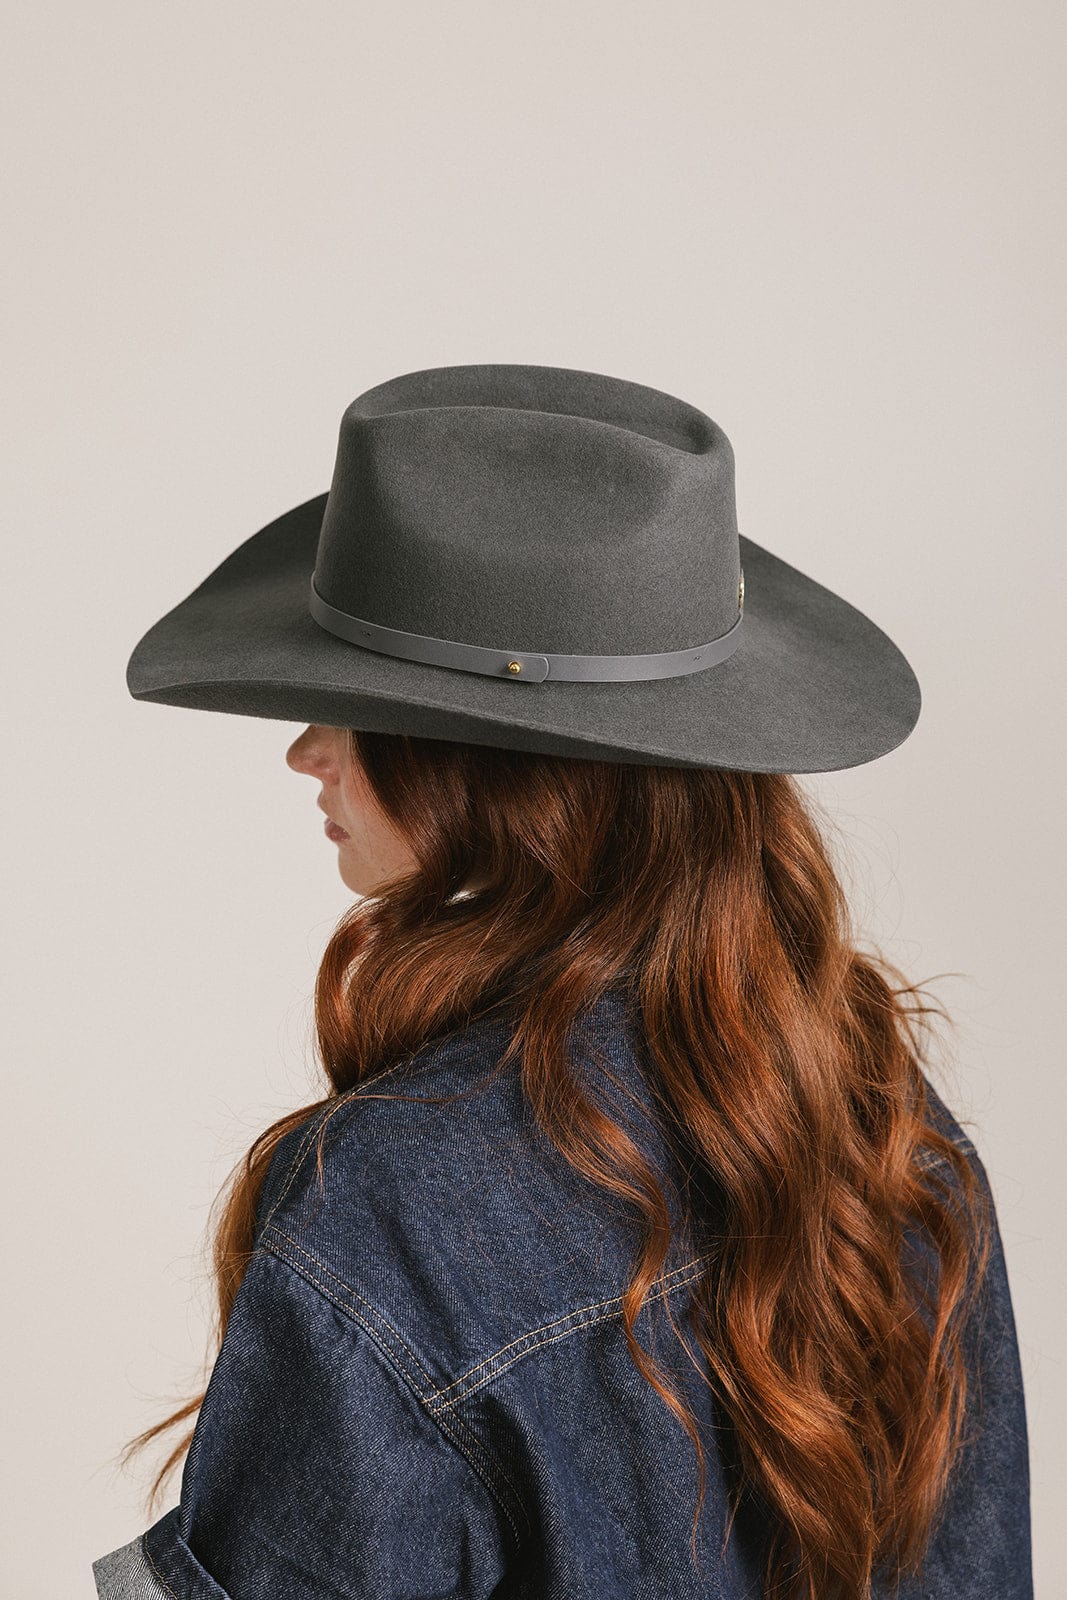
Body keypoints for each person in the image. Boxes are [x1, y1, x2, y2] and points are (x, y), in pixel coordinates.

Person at [93, 363, 1032, 1600]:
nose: (304, 750)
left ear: (489, 764)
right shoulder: (864, 1098)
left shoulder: (387, 1210)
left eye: (353, 706)